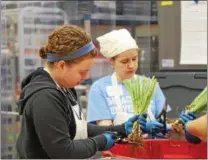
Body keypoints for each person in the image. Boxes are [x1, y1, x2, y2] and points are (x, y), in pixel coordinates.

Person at [16, 25, 148, 159]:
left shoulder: (64, 87)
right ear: (61, 65)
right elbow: (63, 151)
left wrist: (120, 130)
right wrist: (99, 142)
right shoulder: (44, 97)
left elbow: (75, 128)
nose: (85, 77)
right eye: (82, 71)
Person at [87, 29, 171, 134]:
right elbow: (106, 130)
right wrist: (136, 129)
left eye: (134, 59)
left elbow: (164, 122)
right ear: (111, 61)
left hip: (152, 147)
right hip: (117, 149)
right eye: (124, 61)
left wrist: (167, 127)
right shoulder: (99, 88)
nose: (131, 66)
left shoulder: (150, 85)